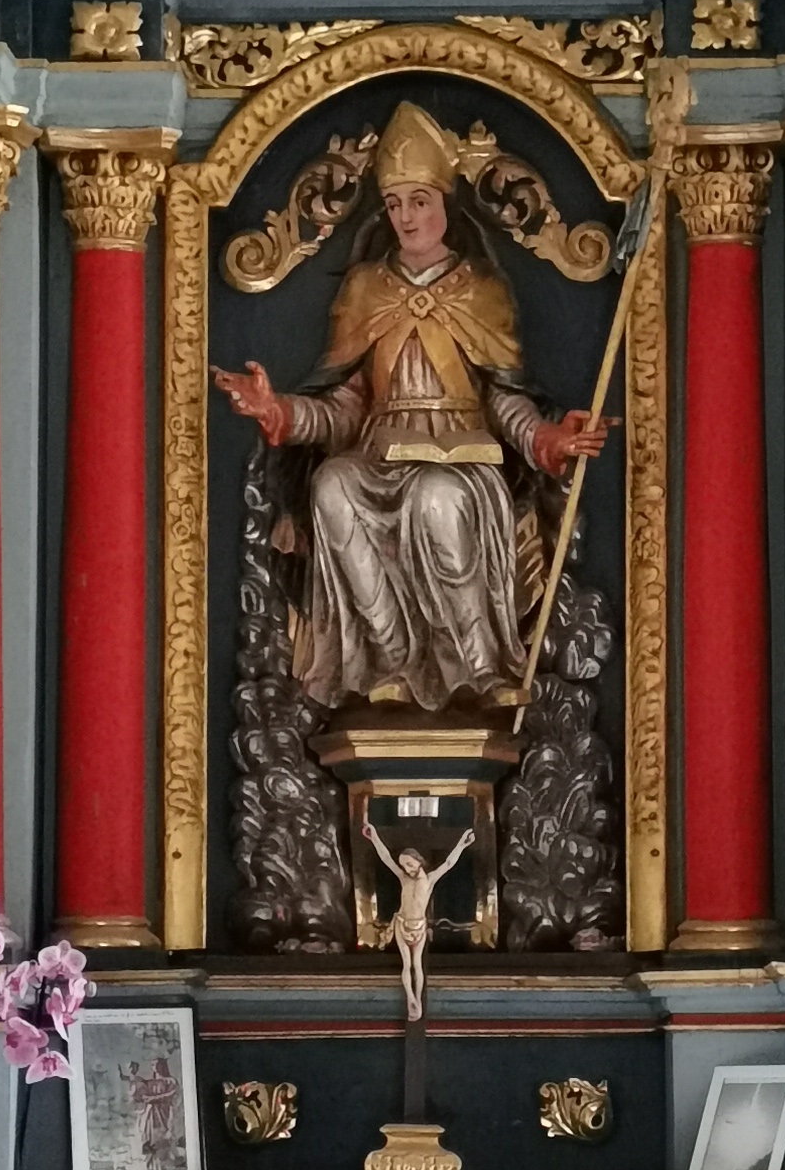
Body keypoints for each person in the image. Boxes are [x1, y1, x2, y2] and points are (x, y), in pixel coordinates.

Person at [211, 99, 607, 713]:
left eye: (418, 201)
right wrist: (279, 411)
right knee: (332, 487)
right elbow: (344, 406)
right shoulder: (365, 288)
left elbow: (505, 397)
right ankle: (389, 660)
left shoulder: (482, 289)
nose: (405, 216)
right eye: (395, 204)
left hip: (462, 460)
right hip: (379, 452)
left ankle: (475, 668)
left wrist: (546, 439)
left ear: (445, 203)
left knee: (435, 499)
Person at [362, 819, 472, 1025]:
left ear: (419, 861)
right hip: (402, 924)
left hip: (419, 926)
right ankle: (410, 999)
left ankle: (418, 1000)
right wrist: (374, 836)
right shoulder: (404, 879)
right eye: (404, 865)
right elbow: (385, 858)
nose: (407, 869)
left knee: (417, 965)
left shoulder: (429, 880)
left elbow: (448, 863)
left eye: (410, 864)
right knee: (406, 965)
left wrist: (462, 844)